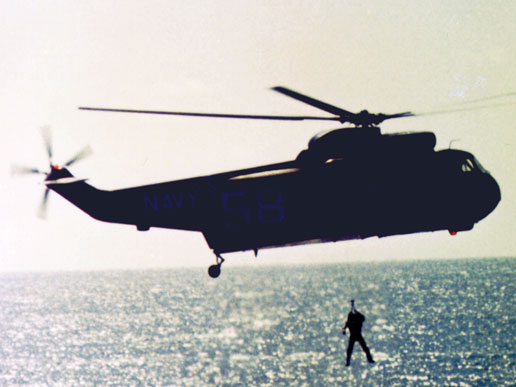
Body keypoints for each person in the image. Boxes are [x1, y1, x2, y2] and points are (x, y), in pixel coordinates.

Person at [342, 299, 375, 366]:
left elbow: (361, 318)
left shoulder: (358, 321)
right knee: (351, 350)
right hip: (354, 336)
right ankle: (348, 362)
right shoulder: (351, 322)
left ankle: (369, 359)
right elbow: (344, 326)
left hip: (357, 335)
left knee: (364, 348)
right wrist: (344, 330)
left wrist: (355, 310)